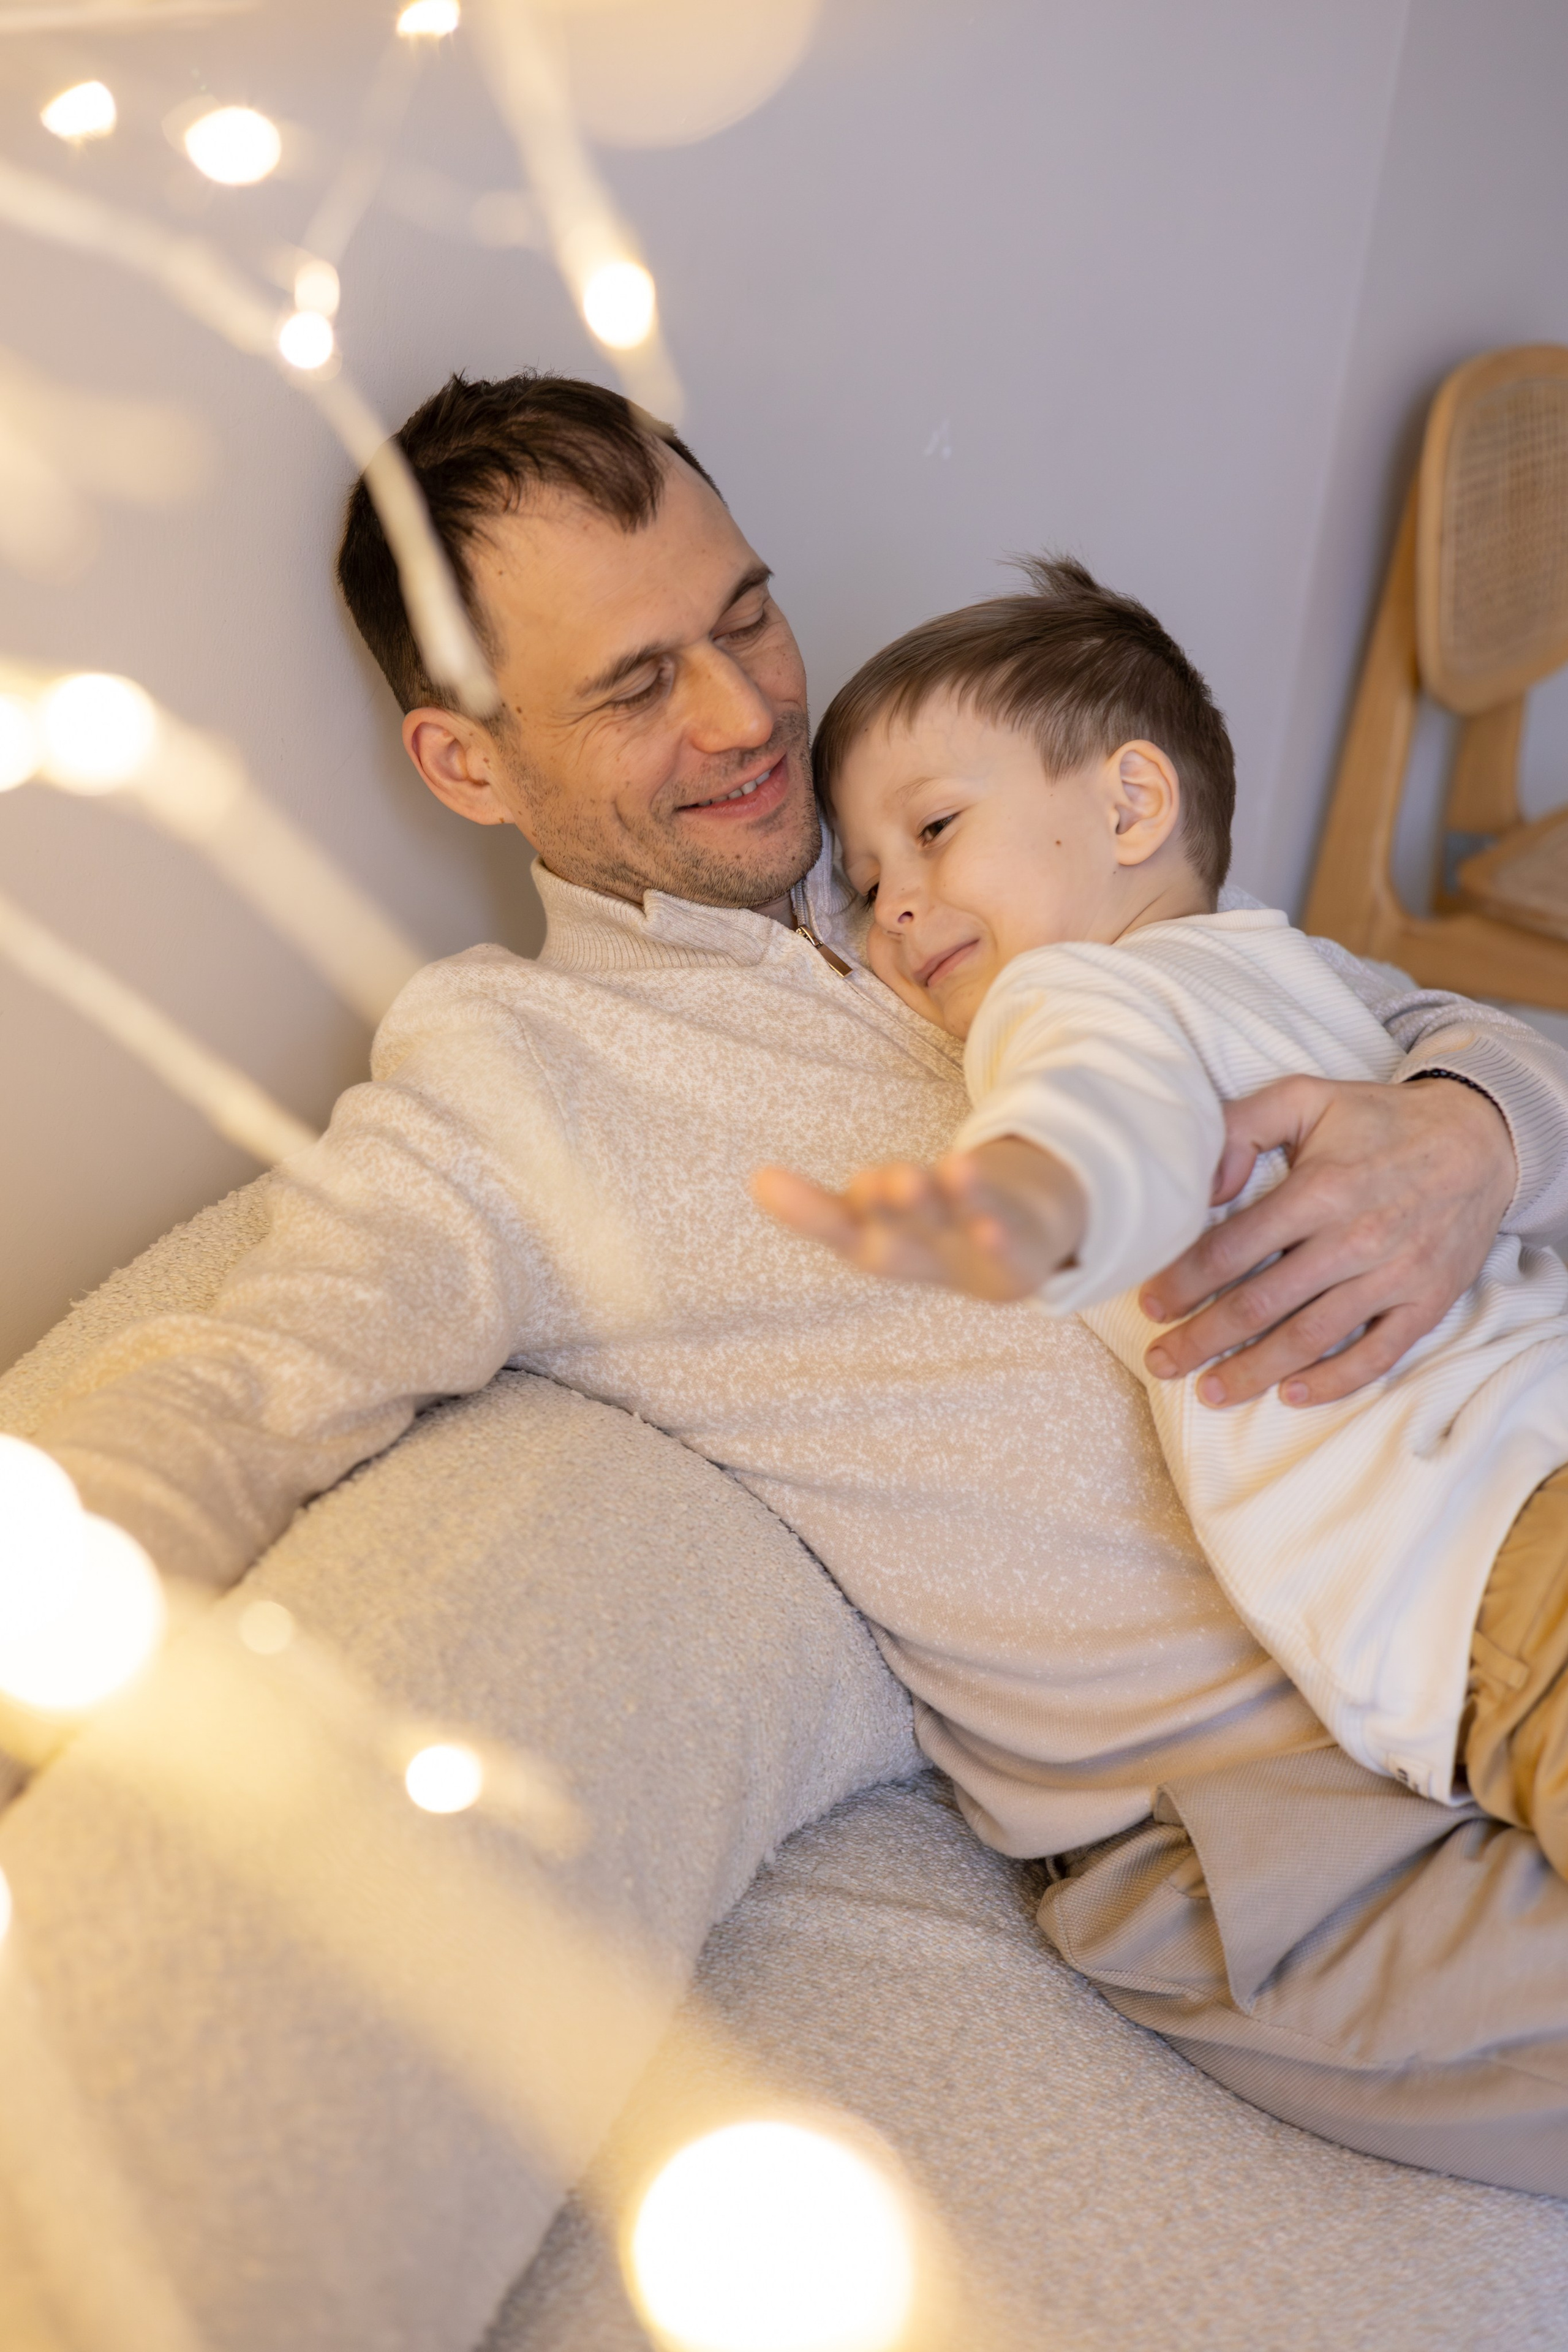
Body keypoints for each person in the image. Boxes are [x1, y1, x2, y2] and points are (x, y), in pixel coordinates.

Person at [27, 373, 1568, 2192]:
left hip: (1496, 1508)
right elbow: (246, 1379)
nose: (748, 709)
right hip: (1276, 1819)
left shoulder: (941, 821)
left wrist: (1471, 1131)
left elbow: (1387, 1007)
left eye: (745, 612)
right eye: (635, 684)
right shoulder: (506, 1082)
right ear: (468, 762)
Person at [753, 554, 1568, 1878]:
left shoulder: (1286, 961)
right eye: (863, 881)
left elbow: (1513, 1088)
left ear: (1132, 803)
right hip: (1484, 1546)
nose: (891, 906)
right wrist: (1016, 1206)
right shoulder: (1065, 998)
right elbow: (1107, 1127)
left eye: (935, 830)